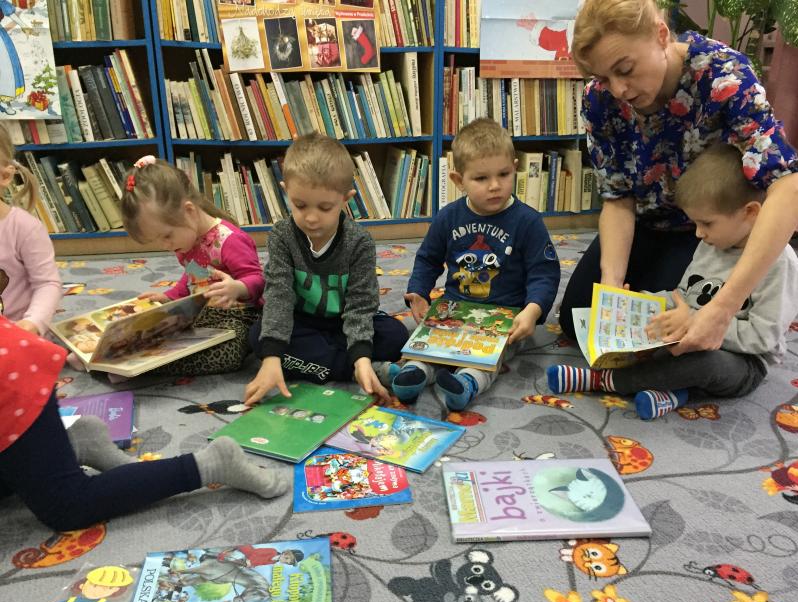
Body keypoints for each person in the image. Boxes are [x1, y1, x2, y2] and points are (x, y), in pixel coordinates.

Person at [556, 0, 798, 359]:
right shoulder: (600, 100)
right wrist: (611, 286)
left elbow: (791, 189)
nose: (619, 90)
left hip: (705, 232)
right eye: (603, 78)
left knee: (675, 328)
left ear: (661, 35)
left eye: (625, 69)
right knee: (578, 316)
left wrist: (722, 308)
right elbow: (617, 197)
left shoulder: (724, 76)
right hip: (642, 222)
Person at [547, 144, 798, 419]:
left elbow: (762, 337)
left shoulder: (779, 264)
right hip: (690, 339)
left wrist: (691, 323)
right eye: (695, 224)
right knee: (655, 336)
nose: (698, 234)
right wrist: (644, 302)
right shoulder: (711, 244)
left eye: (707, 223)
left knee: (704, 364)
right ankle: (675, 393)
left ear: (750, 212)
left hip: (742, 361)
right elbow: (683, 295)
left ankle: (605, 381)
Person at [0, 317, 289, 532]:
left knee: (66, 505)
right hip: (11, 358)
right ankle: (75, 443)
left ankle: (211, 464)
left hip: (9, 375)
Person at [396, 118, 560, 409]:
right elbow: (428, 259)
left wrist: (532, 311)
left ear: (515, 167)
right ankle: (415, 373)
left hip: (506, 317)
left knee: (486, 358)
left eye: (504, 174)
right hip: (454, 308)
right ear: (458, 180)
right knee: (430, 346)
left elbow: (543, 273)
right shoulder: (448, 217)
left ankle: (467, 383)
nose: (495, 186)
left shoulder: (528, 221)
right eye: (481, 179)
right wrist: (418, 292)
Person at [244, 133, 408, 406]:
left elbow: (361, 304)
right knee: (260, 338)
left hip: (344, 323)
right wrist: (272, 357)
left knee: (396, 336)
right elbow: (279, 296)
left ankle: (349, 364)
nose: (311, 217)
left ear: (346, 199)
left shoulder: (359, 242)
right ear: (285, 191)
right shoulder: (281, 236)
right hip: (301, 322)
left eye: (325, 207)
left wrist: (361, 356)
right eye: (300, 205)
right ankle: (351, 369)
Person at [118, 155, 265, 378]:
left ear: (190, 211)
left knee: (230, 352)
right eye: (158, 240)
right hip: (203, 310)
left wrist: (237, 288)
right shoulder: (186, 243)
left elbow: (259, 279)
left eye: (167, 236)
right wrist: (168, 297)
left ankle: (145, 368)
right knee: (160, 326)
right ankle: (117, 358)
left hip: (241, 314)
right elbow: (193, 277)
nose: (165, 246)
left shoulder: (230, 240)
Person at [0, 124, 62, 335]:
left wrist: (33, 323)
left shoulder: (24, 228)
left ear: (4, 176)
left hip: (16, 333)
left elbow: (47, 283)